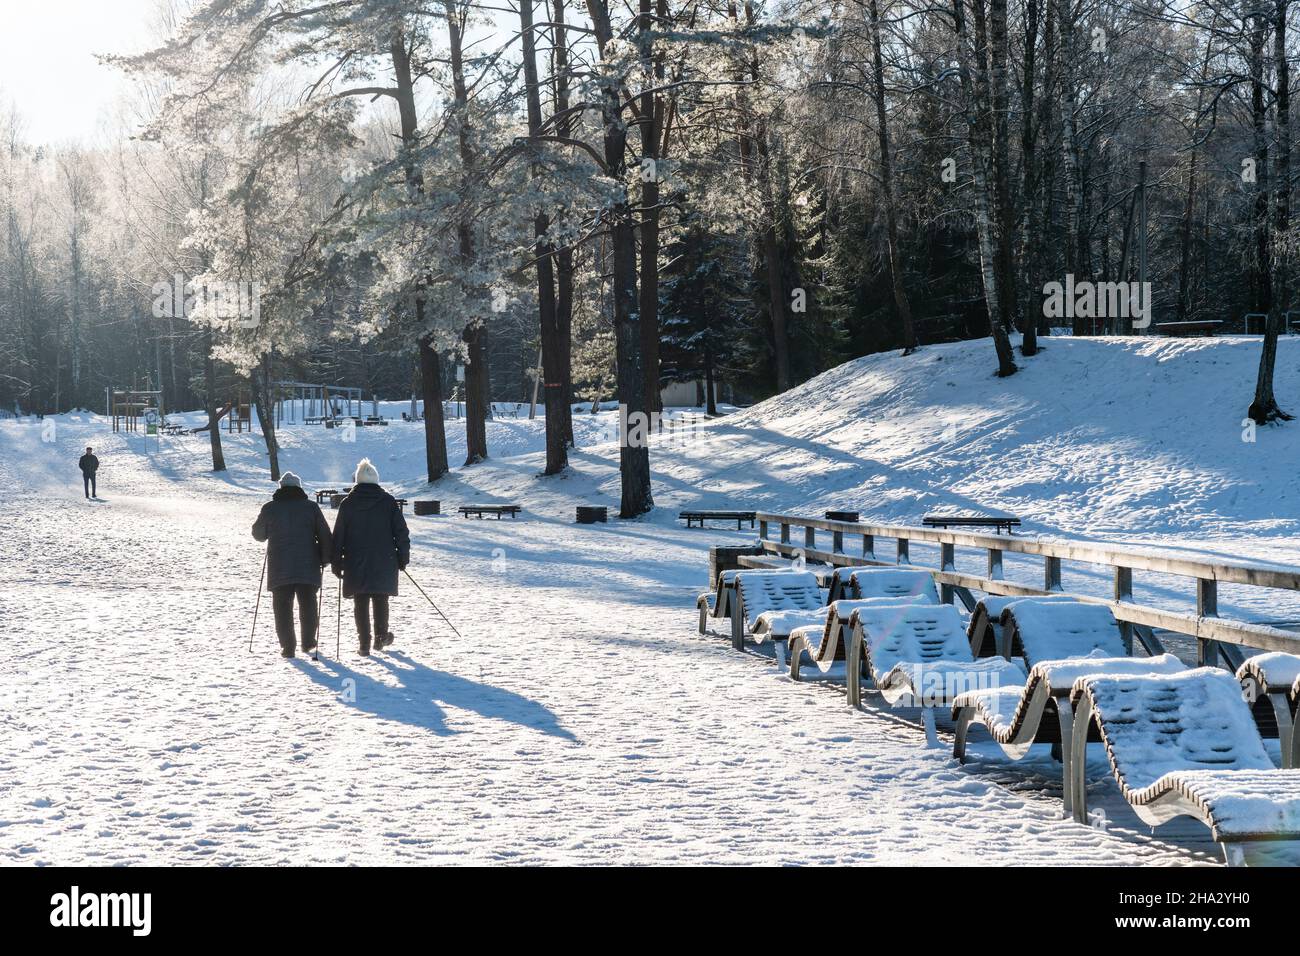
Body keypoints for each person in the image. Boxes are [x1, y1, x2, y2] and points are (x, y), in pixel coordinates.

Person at [331, 458, 410, 657]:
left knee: (361, 601)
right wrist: (403, 557)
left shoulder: (348, 504)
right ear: (376, 480)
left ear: (357, 480)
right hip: (384, 560)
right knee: (381, 599)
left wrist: (336, 561)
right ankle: (381, 636)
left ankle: (364, 643)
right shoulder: (388, 502)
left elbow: (338, 534)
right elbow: (401, 532)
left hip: (355, 560)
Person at [252, 472, 332, 659]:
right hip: (308, 564)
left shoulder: (270, 508)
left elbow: (258, 535)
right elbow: (325, 534)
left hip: (280, 566)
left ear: (281, 488)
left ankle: (288, 647)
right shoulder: (311, 508)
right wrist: (326, 557)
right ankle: (308, 642)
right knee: (308, 604)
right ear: (299, 488)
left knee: (282, 607)